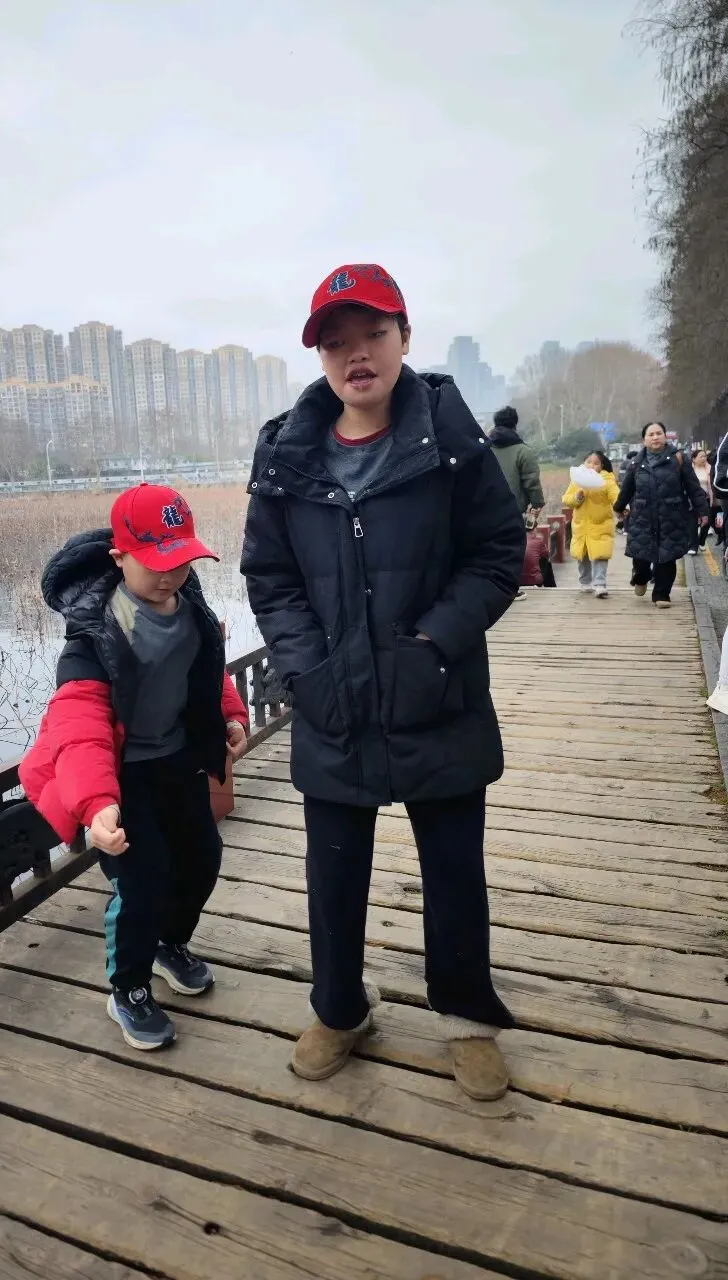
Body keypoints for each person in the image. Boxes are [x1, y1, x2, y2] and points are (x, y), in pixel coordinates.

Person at [240, 263, 525, 1101]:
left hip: (438, 695)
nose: (356, 354)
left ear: (405, 337)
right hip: (333, 702)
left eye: (374, 333)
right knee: (332, 875)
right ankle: (339, 1010)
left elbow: (496, 555)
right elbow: (270, 577)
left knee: (454, 872)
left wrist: (434, 644)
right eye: (336, 341)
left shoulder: (451, 440)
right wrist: (305, 669)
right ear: (319, 354)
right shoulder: (286, 454)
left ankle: (466, 1018)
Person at [19, 483, 249, 1050]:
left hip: (177, 763)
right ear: (119, 557)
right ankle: (128, 987)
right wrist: (97, 804)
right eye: (155, 563)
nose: (170, 576)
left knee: (201, 859)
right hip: (123, 779)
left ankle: (170, 944)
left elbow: (206, 671)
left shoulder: (191, 608)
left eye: (181, 561)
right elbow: (79, 728)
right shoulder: (97, 632)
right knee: (143, 882)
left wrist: (230, 716)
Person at [613, 422, 708, 608]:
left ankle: (662, 594)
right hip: (642, 517)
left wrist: (703, 511)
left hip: (671, 517)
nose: (655, 437)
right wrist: (619, 508)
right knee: (640, 556)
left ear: (665, 436)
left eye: (659, 433)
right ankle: (641, 577)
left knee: (667, 556)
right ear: (644, 440)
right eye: (651, 434)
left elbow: (693, 488)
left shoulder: (678, 459)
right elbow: (627, 489)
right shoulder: (636, 462)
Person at [562, 450, 620, 598]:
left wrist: (622, 508)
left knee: (601, 555)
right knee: (583, 556)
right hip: (581, 527)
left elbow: (616, 496)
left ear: (602, 465)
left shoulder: (607, 481)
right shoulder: (577, 480)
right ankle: (585, 582)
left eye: (596, 463)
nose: (591, 465)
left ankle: (600, 584)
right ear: (584, 463)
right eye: (588, 462)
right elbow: (567, 499)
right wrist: (577, 497)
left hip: (601, 525)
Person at [489, 406, 545, 518]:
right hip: (513, 514)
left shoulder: (484, 450)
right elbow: (531, 482)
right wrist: (537, 504)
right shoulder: (523, 451)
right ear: (515, 424)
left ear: (495, 423)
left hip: (486, 514)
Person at [689, 448, 713, 555]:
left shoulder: (710, 469)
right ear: (694, 459)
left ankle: (701, 541)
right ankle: (693, 547)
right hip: (692, 500)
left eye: (705, 456)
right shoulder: (689, 470)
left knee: (707, 521)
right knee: (693, 523)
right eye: (701, 456)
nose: (704, 458)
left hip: (706, 499)